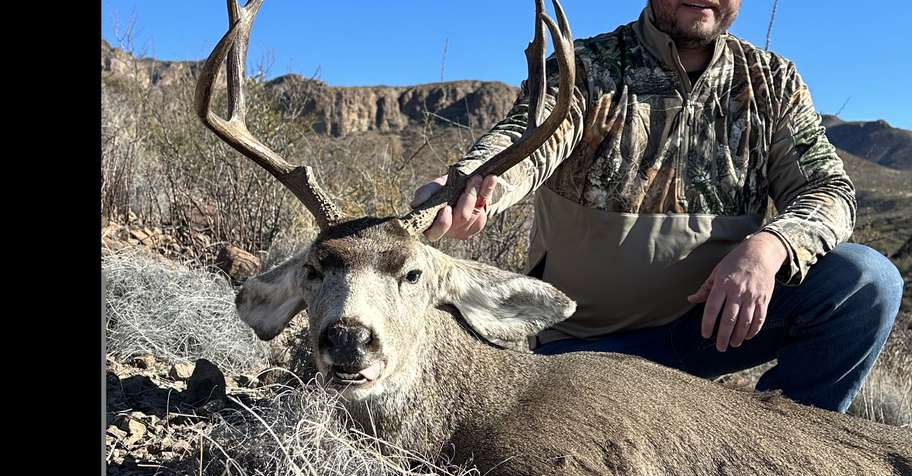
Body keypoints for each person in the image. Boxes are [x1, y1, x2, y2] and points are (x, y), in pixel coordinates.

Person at [410, 0, 903, 413]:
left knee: (865, 281)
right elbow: (532, 135)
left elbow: (829, 190)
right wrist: (468, 185)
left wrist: (770, 245)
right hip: (585, 345)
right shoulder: (587, 67)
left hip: (707, 335)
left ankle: (788, 447)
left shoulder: (772, 81)